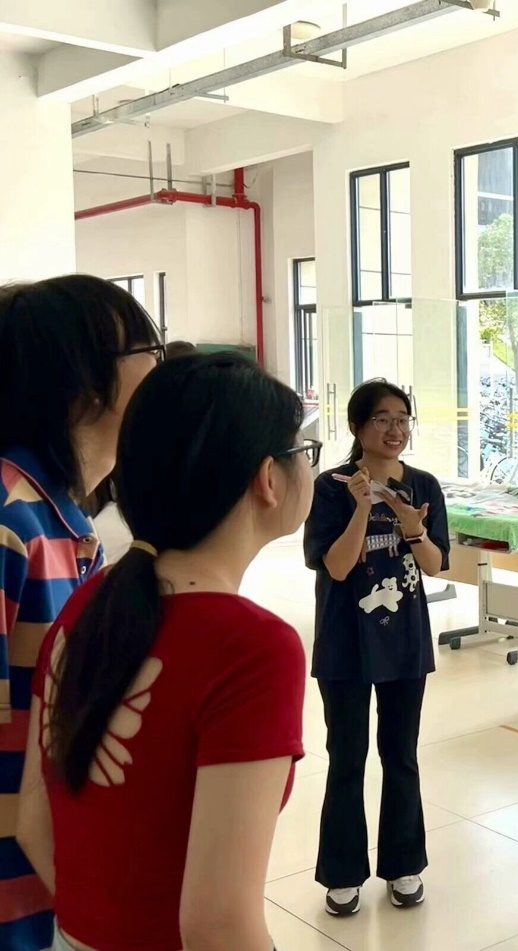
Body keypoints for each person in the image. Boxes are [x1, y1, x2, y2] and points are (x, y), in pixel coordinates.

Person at [15, 353, 314, 951]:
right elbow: (219, 926)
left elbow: (32, 825)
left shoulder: (90, 601)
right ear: (268, 478)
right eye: (306, 451)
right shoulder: (253, 649)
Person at [0, 275, 163, 950]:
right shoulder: (10, 523)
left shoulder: (64, 520)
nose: (163, 371)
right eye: (149, 352)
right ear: (85, 384)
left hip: (44, 894)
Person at [303, 379, 450, 917]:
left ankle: (404, 864)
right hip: (344, 642)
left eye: (402, 419)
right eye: (382, 419)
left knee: (400, 754)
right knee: (347, 757)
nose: (395, 429)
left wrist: (413, 529)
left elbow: (436, 565)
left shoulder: (424, 486)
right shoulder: (330, 487)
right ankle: (342, 873)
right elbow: (338, 567)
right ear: (356, 427)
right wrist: (362, 509)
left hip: (404, 641)